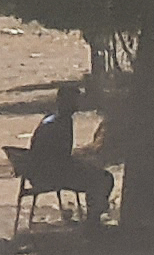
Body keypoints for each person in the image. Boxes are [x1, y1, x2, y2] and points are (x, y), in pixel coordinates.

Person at [31, 82, 116, 223]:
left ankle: (93, 216)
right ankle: (93, 221)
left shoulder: (50, 119)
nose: (77, 104)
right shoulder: (60, 123)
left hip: (42, 171)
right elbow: (61, 157)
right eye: (74, 101)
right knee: (103, 179)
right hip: (52, 173)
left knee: (94, 174)